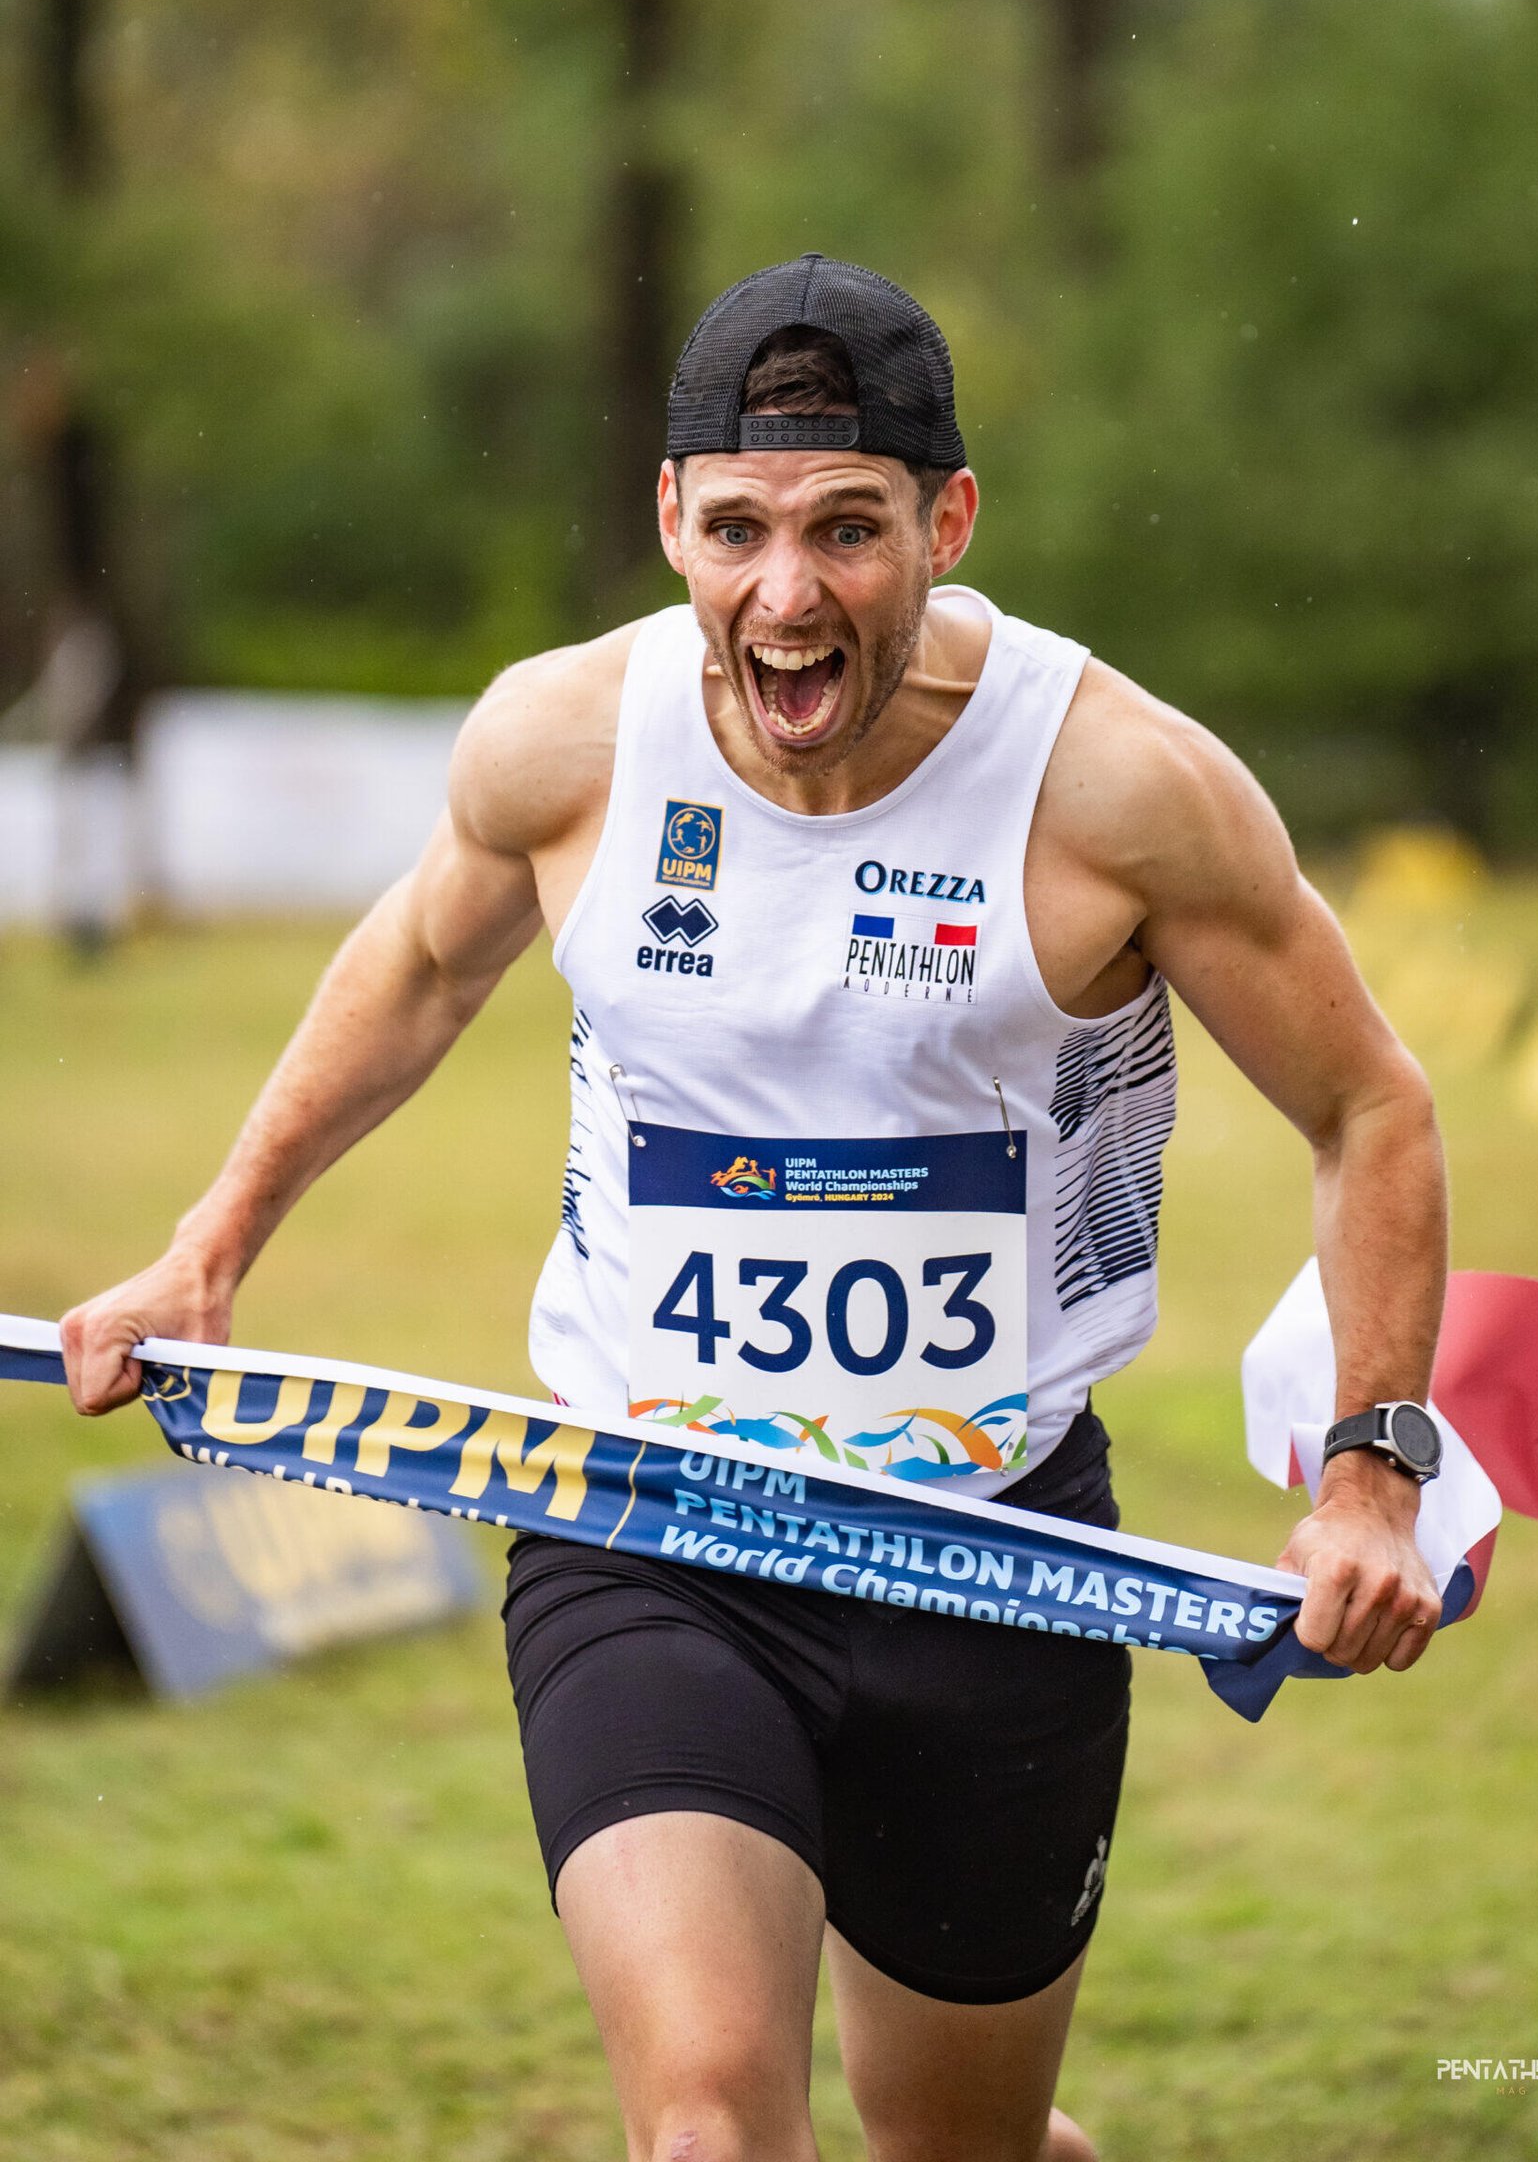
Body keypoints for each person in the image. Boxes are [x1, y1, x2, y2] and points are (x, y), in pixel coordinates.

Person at [63, 255, 1447, 2162]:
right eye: (736, 530)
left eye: (847, 532)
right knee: (711, 2125)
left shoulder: (1116, 784)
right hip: (646, 1519)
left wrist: (1372, 1468)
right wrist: (210, 1243)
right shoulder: (561, 744)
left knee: (957, 2145)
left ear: (945, 525)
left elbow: (1370, 1102)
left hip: (993, 1555)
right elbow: (416, 969)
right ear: (669, 518)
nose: (783, 594)